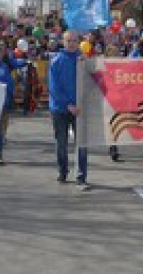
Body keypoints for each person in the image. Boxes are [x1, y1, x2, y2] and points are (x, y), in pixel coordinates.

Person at [48, 30, 89, 190]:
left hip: (80, 109)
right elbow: (54, 87)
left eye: (74, 40)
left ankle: (81, 176)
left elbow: (94, 82)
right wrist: (68, 104)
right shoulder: (56, 61)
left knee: (82, 144)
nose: (72, 43)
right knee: (62, 144)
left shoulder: (83, 60)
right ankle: (63, 171)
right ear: (63, 42)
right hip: (60, 109)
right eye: (68, 40)